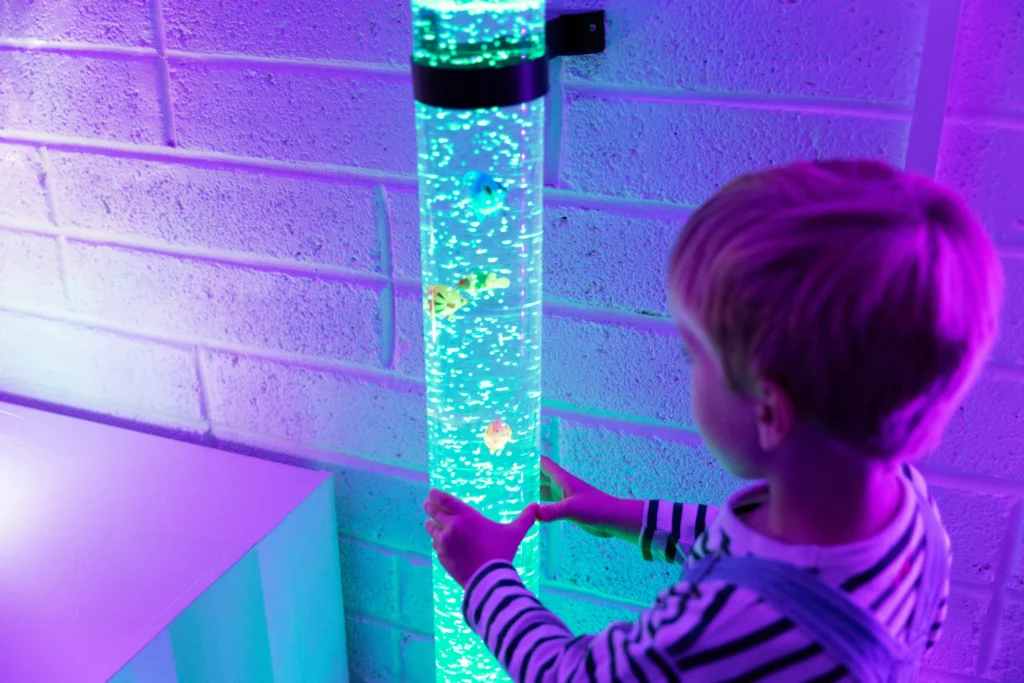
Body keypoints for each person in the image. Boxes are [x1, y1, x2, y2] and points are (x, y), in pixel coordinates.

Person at [423, 159, 1004, 682]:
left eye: (691, 354)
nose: (686, 370)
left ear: (770, 409)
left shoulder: (717, 625)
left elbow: (575, 677)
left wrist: (488, 575)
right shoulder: (910, 515)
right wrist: (621, 516)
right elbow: (768, 562)